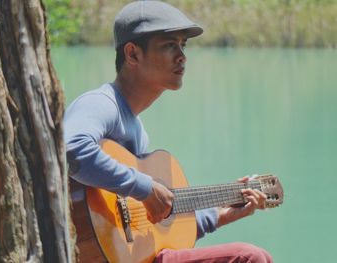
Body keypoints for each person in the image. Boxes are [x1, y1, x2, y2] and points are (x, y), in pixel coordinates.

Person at [64, 1, 273, 262]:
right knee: (249, 257)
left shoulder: (137, 129)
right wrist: (144, 187)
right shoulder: (100, 103)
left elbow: (150, 232)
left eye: (183, 45)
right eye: (169, 45)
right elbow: (71, 150)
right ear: (132, 54)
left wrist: (217, 216)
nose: (182, 56)